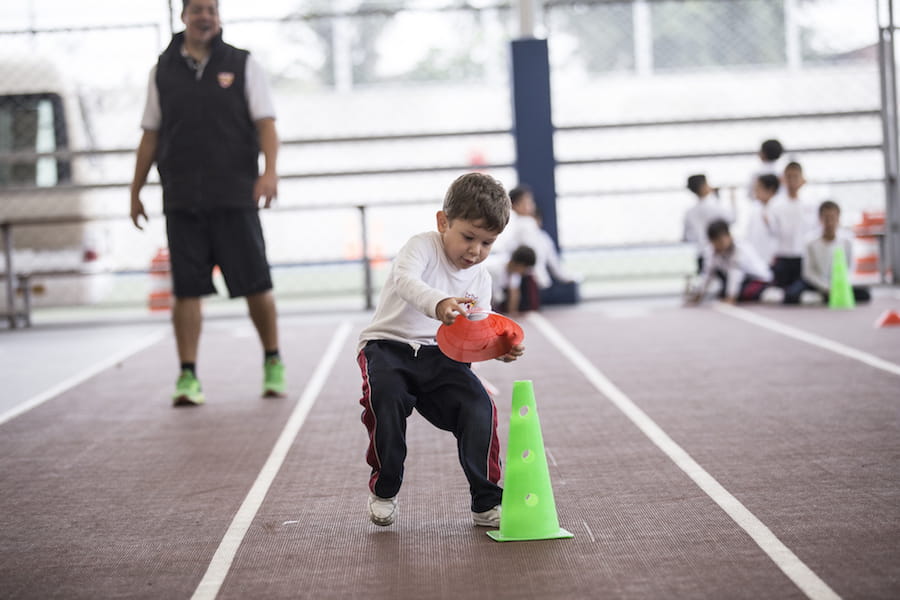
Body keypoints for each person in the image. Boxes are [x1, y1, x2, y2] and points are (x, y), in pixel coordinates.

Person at [129, 0, 285, 406]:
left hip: (235, 195)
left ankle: (272, 361)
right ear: (183, 16)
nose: (205, 16)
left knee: (257, 284)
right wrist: (135, 190)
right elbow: (150, 135)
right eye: (197, 9)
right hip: (182, 199)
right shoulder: (160, 71)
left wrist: (269, 172)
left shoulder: (243, 63)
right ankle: (187, 376)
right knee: (186, 292)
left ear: (218, 17)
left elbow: (266, 123)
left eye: (211, 10)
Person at [356, 172, 524, 529]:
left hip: (441, 357)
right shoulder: (422, 246)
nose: (475, 251)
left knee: (480, 407)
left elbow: (475, 334)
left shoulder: (481, 278)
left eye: (487, 243)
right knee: (385, 400)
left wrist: (499, 348)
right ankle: (385, 489)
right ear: (443, 221)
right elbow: (406, 282)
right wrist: (439, 303)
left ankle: (485, 502)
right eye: (468, 237)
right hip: (389, 348)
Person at [493, 184, 578, 306]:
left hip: (524, 273)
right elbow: (531, 252)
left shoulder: (529, 225)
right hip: (523, 274)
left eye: (530, 201)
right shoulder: (522, 224)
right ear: (515, 205)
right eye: (527, 201)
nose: (531, 205)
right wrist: (539, 275)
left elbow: (544, 253)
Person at [785, 200, 871, 304]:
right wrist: (825, 287)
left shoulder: (846, 241)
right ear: (820, 219)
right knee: (791, 295)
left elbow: (850, 268)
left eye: (832, 218)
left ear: (838, 218)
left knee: (865, 293)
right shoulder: (810, 241)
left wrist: (839, 285)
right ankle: (823, 295)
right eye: (826, 218)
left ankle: (823, 297)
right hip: (816, 283)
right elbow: (808, 272)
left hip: (839, 282)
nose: (829, 222)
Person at [687, 219, 783, 305]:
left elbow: (735, 275)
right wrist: (698, 295)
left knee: (744, 293)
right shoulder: (712, 251)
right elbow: (707, 274)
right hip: (740, 279)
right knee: (724, 289)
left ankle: (771, 292)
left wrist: (730, 298)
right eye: (715, 242)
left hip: (758, 279)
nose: (718, 245)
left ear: (729, 236)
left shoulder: (739, 250)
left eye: (721, 241)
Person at [769, 162, 819, 288]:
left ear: (803, 180)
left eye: (795, 177)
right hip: (783, 256)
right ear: (783, 179)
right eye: (789, 177)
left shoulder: (811, 203)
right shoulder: (775, 205)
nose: (792, 181)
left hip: (803, 257)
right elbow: (773, 232)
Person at [683, 174, 735, 273]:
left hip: (700, 254)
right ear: (703, 187)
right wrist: (732, 198)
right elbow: (732, 218)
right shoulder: (715, 207)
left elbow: (686, 237)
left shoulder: (689, 213)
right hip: (719, 254)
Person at [489, 245, 537, 315]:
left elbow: (514, 292)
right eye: (526, 268)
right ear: (520, 265)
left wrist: (512, 313)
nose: (526, 272)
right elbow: (494, 297)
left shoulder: (514, 271)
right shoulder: (494, 268)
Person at [744, 174, 780, 267]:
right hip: (755, 259)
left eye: (758, 188)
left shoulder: (777, 208)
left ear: (770, 190)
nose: (755, 192)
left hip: (772, 260)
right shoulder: (756, 209)